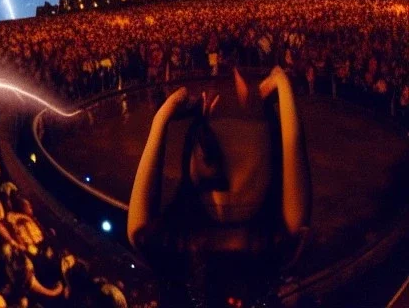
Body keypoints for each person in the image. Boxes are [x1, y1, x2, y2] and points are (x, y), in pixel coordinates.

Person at [127, 67, 312, 307]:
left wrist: (163, 118)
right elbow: (291, 151)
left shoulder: (182, 242)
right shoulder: (268, 243)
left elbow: (137, 230)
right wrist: (283, 88)